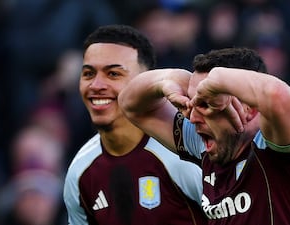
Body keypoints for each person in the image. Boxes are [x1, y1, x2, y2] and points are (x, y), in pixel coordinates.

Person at [119, 47, 290, 224]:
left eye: (206, 104)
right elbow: (131, 105)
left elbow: (279, 95)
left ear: (249, 109)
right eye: (191, 102)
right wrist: (169, 79)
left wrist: (219, 79)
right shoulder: (206, 145)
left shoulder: (274, 144)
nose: (193, 118)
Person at [63, 24, 206, 225]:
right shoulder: (80, 171)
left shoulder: (188, 154)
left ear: (144, 83)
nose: (96, 85)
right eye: (88, 74)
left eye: (113, 74)